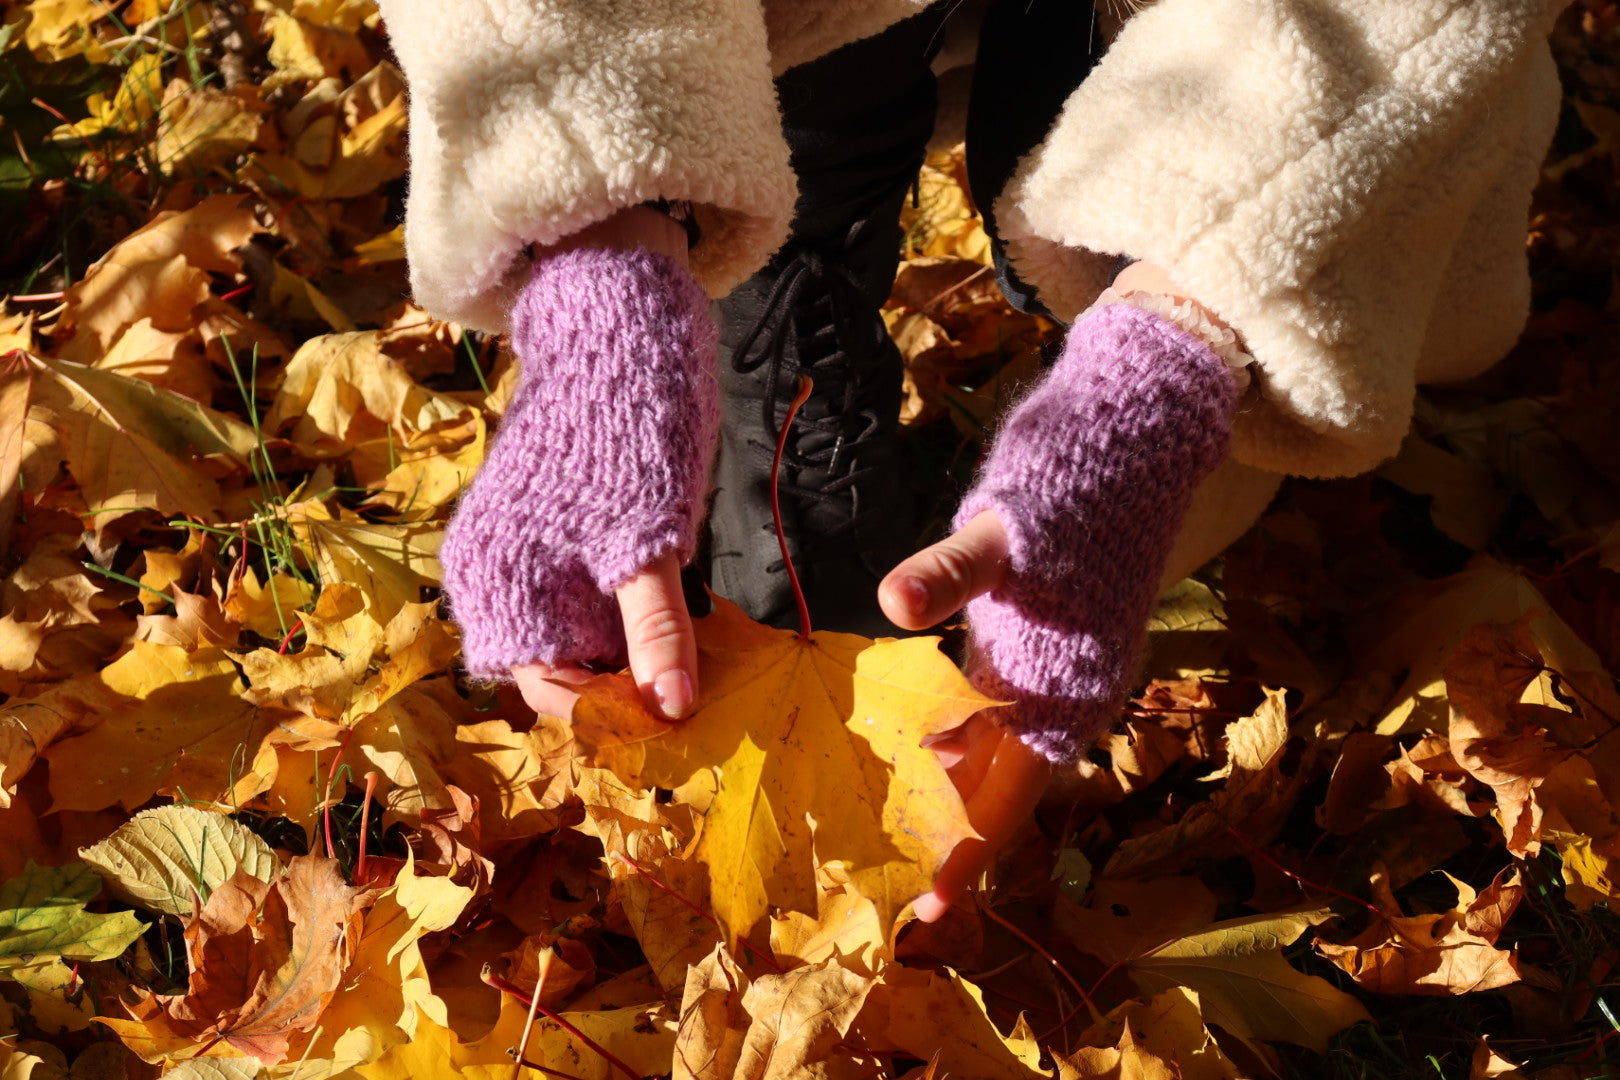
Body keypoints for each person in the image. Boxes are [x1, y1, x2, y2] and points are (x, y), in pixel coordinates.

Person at [374, 0, 1569, 923]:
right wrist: (603, 240)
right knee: (800, 171)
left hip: (1254, 58)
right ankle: (800, 328)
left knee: (1174, 316)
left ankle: (1119, 333)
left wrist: (1165, 357)